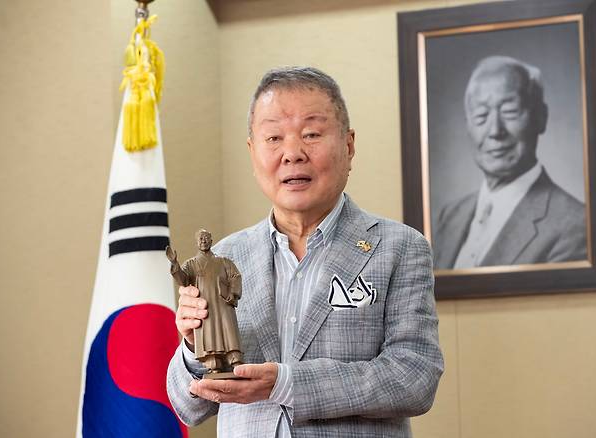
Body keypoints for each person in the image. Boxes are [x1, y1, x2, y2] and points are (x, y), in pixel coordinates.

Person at [167, 67, 443, 437]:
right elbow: (188, 407)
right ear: (252, 152)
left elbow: (414, 377)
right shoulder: (225, 255)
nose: (292, 153)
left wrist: (285, 382)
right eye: (273, 138)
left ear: (348, 145)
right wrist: (191, 343)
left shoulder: (399, 247)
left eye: (311, 134)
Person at [433, 56, 587, 269]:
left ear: (541, 117)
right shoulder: (447, 218)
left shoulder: (576, 225)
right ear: (467, 125)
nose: (495, 131)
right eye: (481, 115)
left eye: (510, 112)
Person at [166, 229, 243, 373]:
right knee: (208, 334)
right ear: (197, 242)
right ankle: (214, 365)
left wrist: (233, 293)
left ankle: (235, 360)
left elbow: (235, 276)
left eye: (206, 237)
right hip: (204, 307)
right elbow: (182, 280)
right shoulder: (191, 264)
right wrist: (174, 264)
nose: (203, 240)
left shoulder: (223, 262)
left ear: (211, 240)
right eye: (201, 238)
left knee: (228, 331)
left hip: (223, 304)